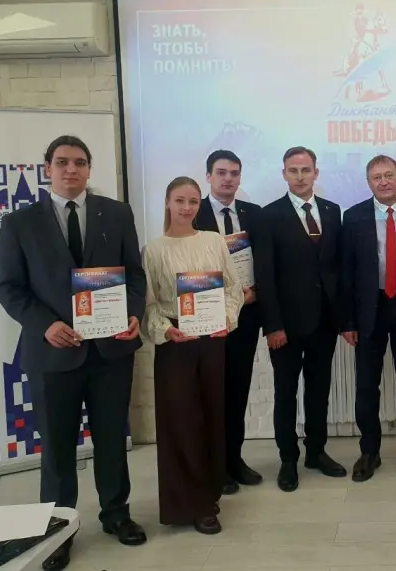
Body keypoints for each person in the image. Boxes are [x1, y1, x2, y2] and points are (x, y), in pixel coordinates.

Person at [0, 135, 147, 570]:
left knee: (112, 440)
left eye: (79, 162)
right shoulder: (19, 223)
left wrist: (133, 314)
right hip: (52, 354)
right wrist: (46, 325)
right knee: (58, 449)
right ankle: (57, 530)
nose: (71, 169)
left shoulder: (116, 214)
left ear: (89, 169)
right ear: (47, 169)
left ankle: (116, 514)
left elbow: (134, 276)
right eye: (62, 162)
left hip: (111, 351)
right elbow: (8, 287)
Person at [141, 176, 244, 535]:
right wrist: (164, 330)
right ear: (168, 203)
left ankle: (208, 495)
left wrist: (227, 319)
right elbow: (149, 302)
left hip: (212, 340)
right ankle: (189, 504)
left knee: (212, 416)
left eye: (193, 202)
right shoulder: (153, 250)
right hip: (176, 343)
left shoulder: (214, 241)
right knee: (181, 424)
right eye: (180, 201)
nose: (187, 208)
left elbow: (233, 288)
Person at [254, 146, 347, 492]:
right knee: (286, 393)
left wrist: (343, 318)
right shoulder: (269, 215)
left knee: (319, 391)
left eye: (306, 170)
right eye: (293, 170)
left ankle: (316, 452)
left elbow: (336, 268)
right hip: (286, 326)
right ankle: (288, 459)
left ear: (316, 173)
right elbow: (265, 275)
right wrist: (273, 325)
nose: (300, 176)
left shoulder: (332, 211)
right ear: (284, 174)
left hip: (324, 321)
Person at [340, 155, 396, 482]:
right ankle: (369, 452)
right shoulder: (353, 216)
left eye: (389, 174)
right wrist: (347, 321)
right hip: (370, 310)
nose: (384, 181)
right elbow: (347, 272)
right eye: (377, 177)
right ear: (369, 182)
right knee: (367, 385)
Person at [194, 150, 267, 495]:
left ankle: (234, 460)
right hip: (207, 319)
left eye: (234, 173)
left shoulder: (254, 214)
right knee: (211, 394)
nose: (228, 179)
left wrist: (256, 291)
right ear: (208, 176)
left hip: (245, 318)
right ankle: (214, 466)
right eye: (221, 172)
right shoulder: (194, 212)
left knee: (238, 392)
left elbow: (265, 261)